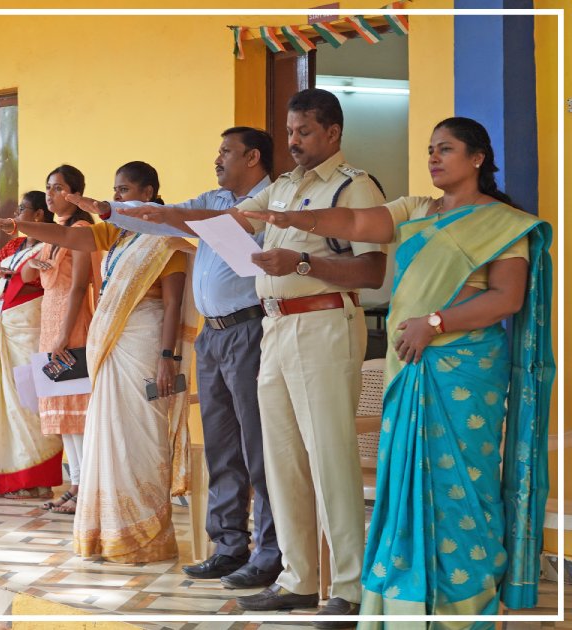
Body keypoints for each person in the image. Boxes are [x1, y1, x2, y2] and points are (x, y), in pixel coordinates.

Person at [242, 117, 553, 625]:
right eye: (430, 149)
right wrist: (292, 218)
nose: (433, 157)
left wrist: (435, 322)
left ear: (477, 158)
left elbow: (507, 298)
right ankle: (407, 601)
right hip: (410, 364)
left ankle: (464, 600)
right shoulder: (414, 210)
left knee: (463, 482)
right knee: (404, 480)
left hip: (464, 366)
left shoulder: (502, 223)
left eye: (446, 149)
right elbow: (356, 225)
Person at [112, 89, 386, 624]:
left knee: (329, 459)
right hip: (276, 326)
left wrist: (302, 265)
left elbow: (372, 273)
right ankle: (298, 577)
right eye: (290, 132)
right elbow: (228, 221)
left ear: (333, 133)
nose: (295, 142)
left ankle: (349, 586)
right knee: (281, 460)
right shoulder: (284, 187)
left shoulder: (354, 186)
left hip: (324, 320)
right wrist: (159, 213)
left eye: (305, 132)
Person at [72, 128, 282, 587]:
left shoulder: (275, 200)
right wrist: (111, 211)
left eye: (225, 151)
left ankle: (270, 552)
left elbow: (194, 221)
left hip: (251, 329)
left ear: (253, 157)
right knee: (223, 447)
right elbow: (163, 220)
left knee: (258, 446)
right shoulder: (213, 196)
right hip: (214, 336)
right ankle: (229, 547)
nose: (217, 159)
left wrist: (178, 217)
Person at [0, 161, 194, 564]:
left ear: (148, 194)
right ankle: (110, 532)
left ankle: (146, 535)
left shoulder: (167, 242)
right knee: (108, 434)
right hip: (111, 345)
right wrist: (21, 228)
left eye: (126, 190)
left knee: (140, 436)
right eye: (115, 190)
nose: (117, 198)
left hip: (147, 345)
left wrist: (170, 357)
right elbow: (64, 234)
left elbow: (172, 306)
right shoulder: (115, 235)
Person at [0, 191, 63, 499]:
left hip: (30, 329)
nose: (17, 212)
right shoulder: (15, 245)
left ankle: (37, 478)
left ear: (39, 216)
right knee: (6, 403)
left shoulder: (50, 244)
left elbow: (46, 281)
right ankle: (12, 477)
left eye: (22, 208)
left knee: (29, 404)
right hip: (6, 328)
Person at [27, 165, 99, 515]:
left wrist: (63, 336)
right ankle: (75, 484)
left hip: (72, 326)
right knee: (60, 414)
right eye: (48, 188)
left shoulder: (83, 231)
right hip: (51, 321)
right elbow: (28, 271)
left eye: (59, 189)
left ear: (75, 194)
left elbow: (78, 286)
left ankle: (86, 488)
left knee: (76, 413)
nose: (52, 195)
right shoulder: (53, 233)